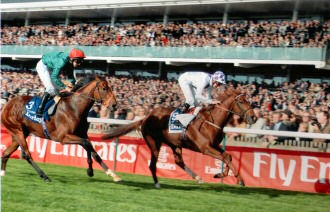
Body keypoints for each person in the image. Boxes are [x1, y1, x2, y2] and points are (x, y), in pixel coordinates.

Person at [36, 48, 86, 116]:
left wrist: (73, 86)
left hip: (51, 67)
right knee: (50, 88)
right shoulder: (62, 62)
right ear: (72, 59)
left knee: (56, 91)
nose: (79, 63)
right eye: (78, 61)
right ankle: (39, 110)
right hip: (43, 66)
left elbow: (71, 77)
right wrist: (65, 87)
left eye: (81, 61)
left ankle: (48, 109)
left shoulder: (70, 63)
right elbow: (54, 77)